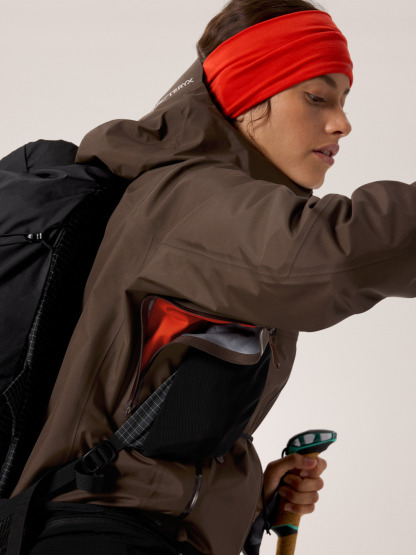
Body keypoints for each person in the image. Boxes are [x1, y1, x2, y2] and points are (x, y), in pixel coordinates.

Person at [11, 0, 416, 554]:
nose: (342, 123)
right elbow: (340, 253)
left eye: (344, 101)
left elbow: (142, 419)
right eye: (316, 97)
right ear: (248, 96)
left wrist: (244, 495)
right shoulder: (186, 200)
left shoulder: (220, 213)